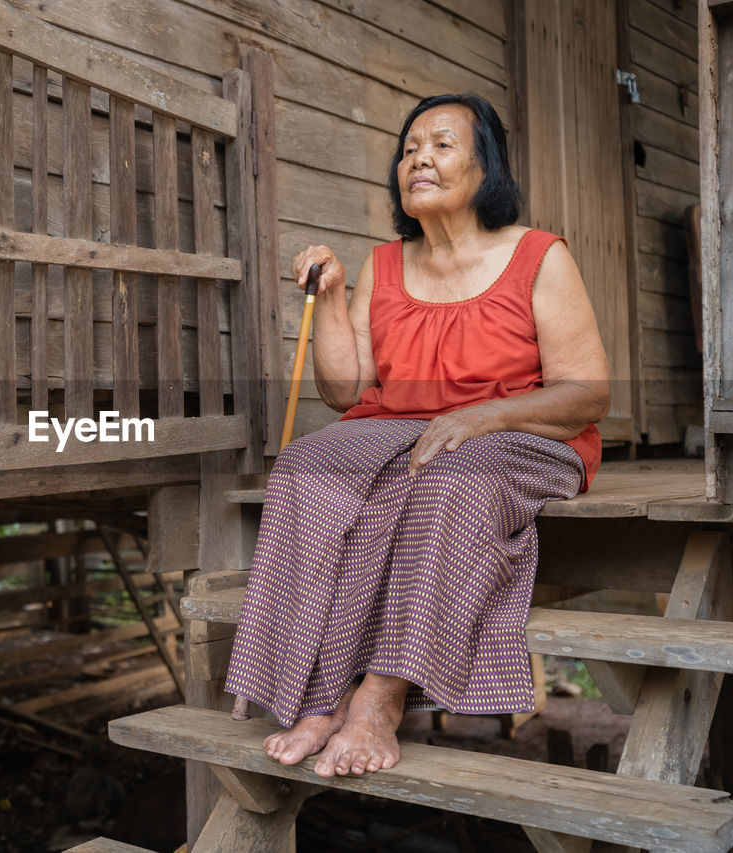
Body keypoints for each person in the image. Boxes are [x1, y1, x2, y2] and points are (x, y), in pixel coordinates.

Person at [222, 93, 610, 780]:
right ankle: (318, 691)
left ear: (485, 166)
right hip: (403, 429)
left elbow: (588, 393)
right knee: (307, 466)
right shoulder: (386, 265)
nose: (419, 158)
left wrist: (484, 415)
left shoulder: (537, 256)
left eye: (440, 144)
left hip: (524, 431)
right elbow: (345, 392)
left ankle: (379, 695)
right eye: (408, 149)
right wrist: (336, 294)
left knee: (452, 473)